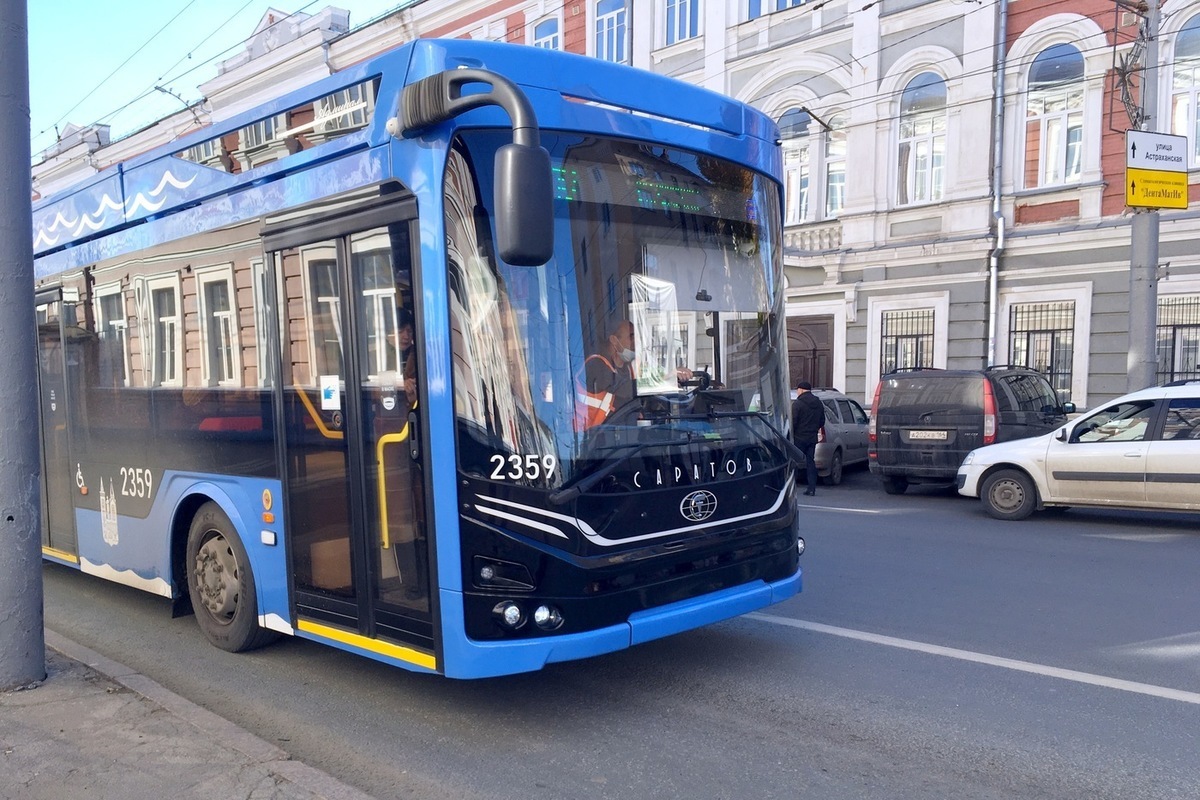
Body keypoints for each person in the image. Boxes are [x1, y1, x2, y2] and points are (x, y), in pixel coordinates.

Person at [576, 320, 695, 429]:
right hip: (589, 441)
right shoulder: (596, 364)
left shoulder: (628, 369)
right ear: (614, 340)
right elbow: (625, 389)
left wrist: (670, 381)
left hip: (618, 437)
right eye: (631, 336)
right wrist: (666, 378)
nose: (636, 342)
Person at [791, 379, 825, 496]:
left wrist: (792, 434)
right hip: (812, 437)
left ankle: (791, 487)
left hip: (798, 438)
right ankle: (811, 488)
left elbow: (793, 422)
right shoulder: (818, 403)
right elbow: (822, 421)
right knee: (811, 462)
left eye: (797, 390)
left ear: (800, 390)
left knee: (793, 462)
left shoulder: (797, 404)